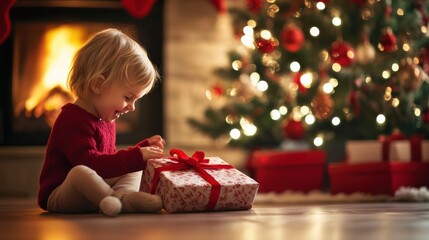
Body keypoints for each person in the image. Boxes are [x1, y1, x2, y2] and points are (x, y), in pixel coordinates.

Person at [38, 28, 165, 217]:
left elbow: (108, 162)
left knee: (134, 168)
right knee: (80, 172)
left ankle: (122, 198)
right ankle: (117, 199)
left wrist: (142, 150)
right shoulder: (71, 119)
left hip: (97, 193)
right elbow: (91, 164)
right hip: (61, 194)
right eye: (128, 97)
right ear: (98, 85)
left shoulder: (105, 119)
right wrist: (137, 156)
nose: (131, 107)